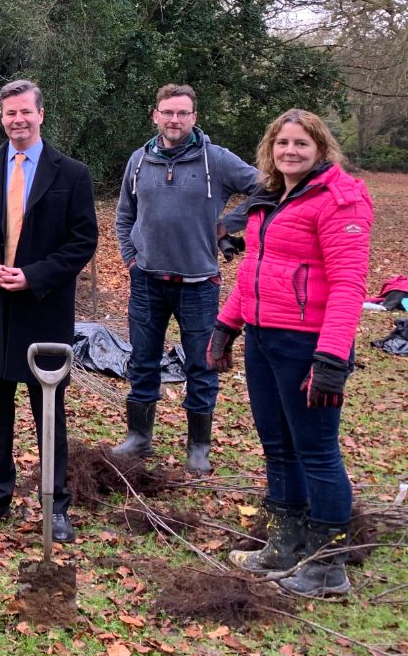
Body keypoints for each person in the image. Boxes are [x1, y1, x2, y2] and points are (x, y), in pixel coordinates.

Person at [209, 109, 371, 597]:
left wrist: (331, 359)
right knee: (277, 446)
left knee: (317, 452)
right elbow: (255, 269)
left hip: (307, 343)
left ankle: (327, 566)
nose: (290, 151)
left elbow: (348, 284)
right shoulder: (271, 197)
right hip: (263, 337)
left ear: (321, 148)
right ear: (270, 149)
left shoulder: (340, 201)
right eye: (282, 143)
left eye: (301, 143)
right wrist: (226, 326)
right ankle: (284, 545)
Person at [0, 79, 97, 540]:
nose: (18, 120)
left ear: (40, 114)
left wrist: (35, 275)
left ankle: (55, 505)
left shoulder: (70, 173)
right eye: (10, 113)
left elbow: (82, 241)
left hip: (43, 308)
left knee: (47, 407)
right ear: (1, 118)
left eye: (25, 112)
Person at [112, 84, 258, 474]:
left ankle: (198, 446)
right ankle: (139, 438)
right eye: (167, 112)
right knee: (143, 360)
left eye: (182, 113)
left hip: (199, 284)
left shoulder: (217, 160)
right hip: (146, 282)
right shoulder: (139, 161)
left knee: (201, 365)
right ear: (155, 116)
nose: (174, 120)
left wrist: (229, 223)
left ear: (194, 117)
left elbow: (267, 187)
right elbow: (124, 215)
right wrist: (130, 257)